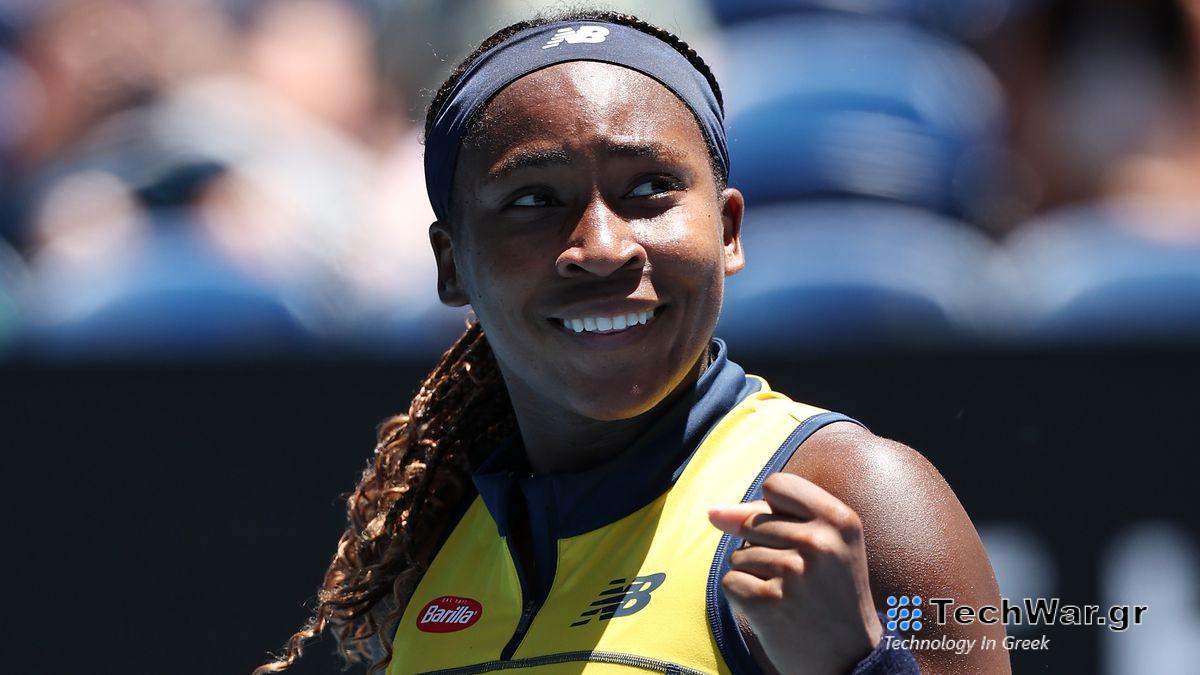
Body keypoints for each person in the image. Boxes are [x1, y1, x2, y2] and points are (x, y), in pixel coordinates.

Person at [256, 10, 1008, 675]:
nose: (603, 245)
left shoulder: (863, 495)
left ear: (730, 230)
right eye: (533, 200)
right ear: (452, 264)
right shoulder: (434, 550)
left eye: (648, 188)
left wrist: (856, 666)